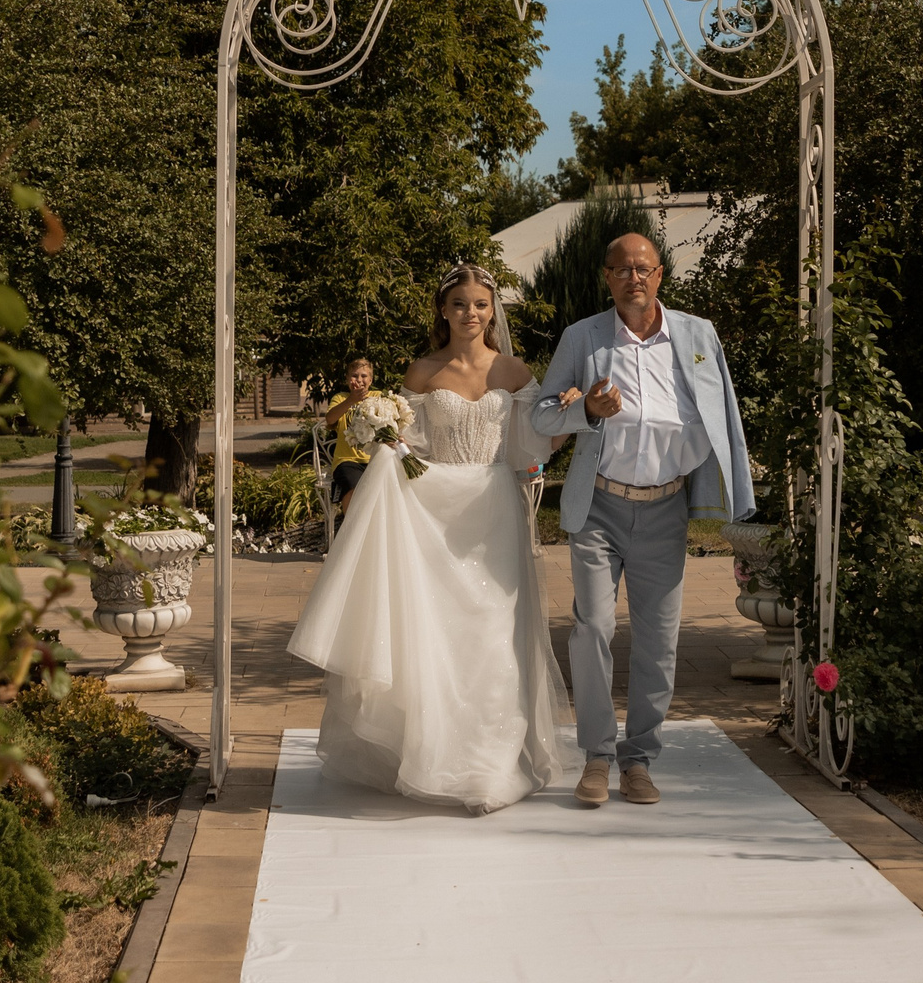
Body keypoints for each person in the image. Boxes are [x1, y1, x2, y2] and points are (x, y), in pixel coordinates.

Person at [287, 265, 571, 812]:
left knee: (496, 632)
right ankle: (441, 756)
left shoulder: (514, 371)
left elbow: (533, 442)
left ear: (493, 311)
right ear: (444, 310)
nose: (472, 314)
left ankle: (493, 765)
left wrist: (577, 413)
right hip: (433, 510)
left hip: (492, 509)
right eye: (461, 304)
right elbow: (407, 446)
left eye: (482, 305)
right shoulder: (421, 372)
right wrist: (384, 436)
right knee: (442, 634)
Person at [530, 231, 753, 807]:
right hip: (599, 506)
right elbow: (541, 413)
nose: (635, 278)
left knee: (658, 640)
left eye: (645, 269)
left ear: (660, 276)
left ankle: (640, 759)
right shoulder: (583, 337)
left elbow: (721, 407)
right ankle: (598, 756)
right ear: (607, 277)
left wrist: (731, 484)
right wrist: (585, 409)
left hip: (666, 507)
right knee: (594, 628)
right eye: (623, 270)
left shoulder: (698, 334)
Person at [323, 356, 376, 512]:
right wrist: (351, 401)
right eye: (354, 375)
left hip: (375, 459)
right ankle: (350, 530)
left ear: (370, 380)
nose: (359, 379)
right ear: (347, 380)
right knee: (354, 486)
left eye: (364, 376)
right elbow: (330, 419)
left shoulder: (378, 397)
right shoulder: (340, 398)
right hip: (348, 460)